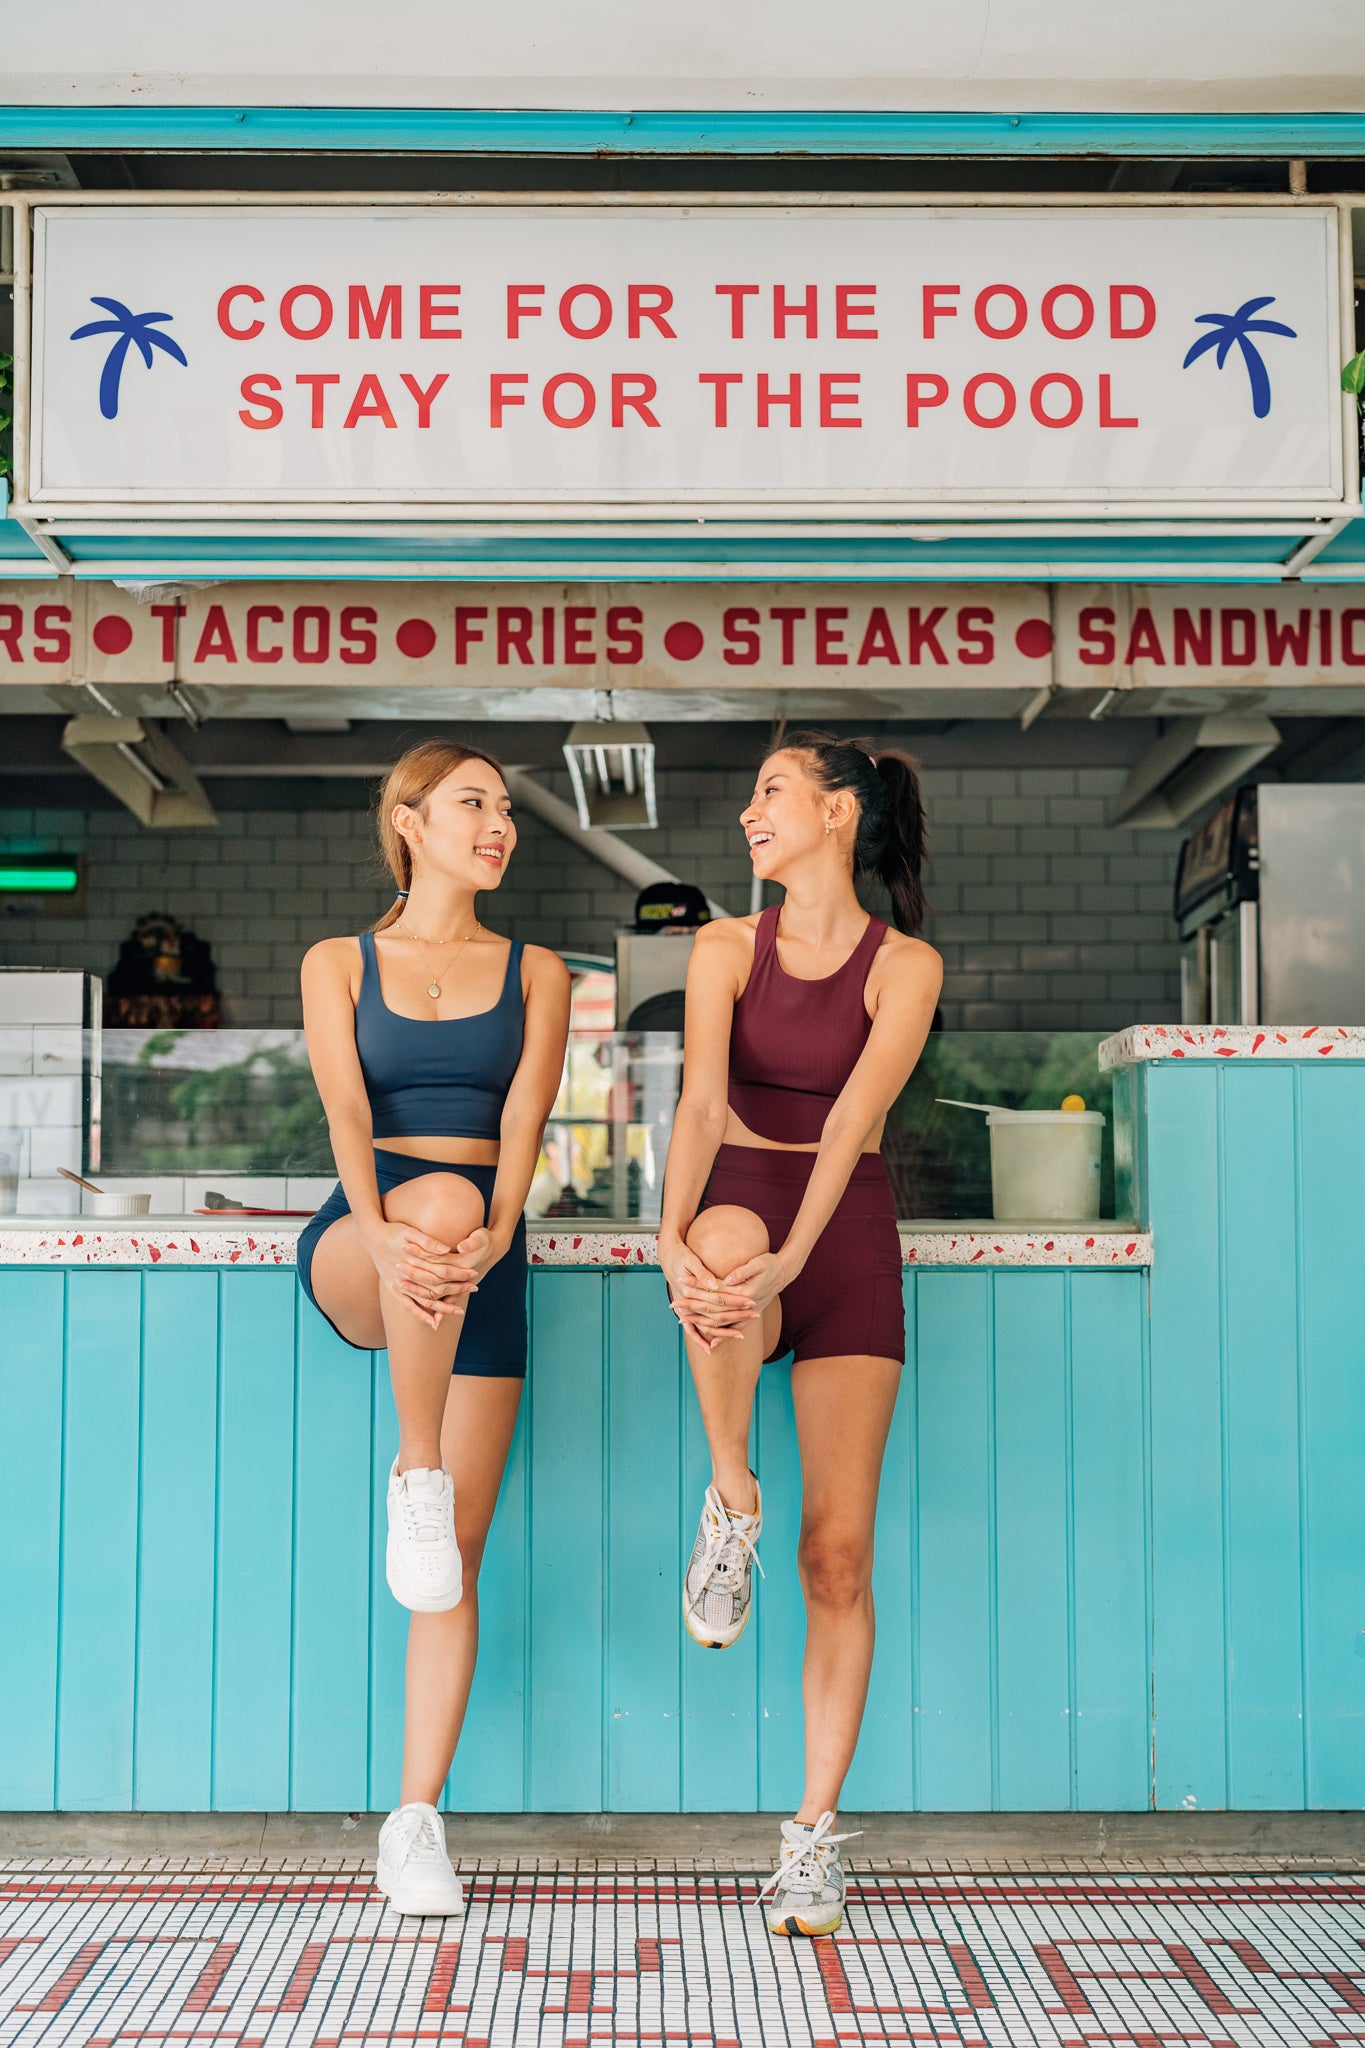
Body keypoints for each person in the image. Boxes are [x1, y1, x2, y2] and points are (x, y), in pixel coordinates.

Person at [657, 730, 942, 1938]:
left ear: (837, 812)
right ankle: (732, 1498)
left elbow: (851, 1126)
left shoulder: (907, 965)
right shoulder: (726, 946)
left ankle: (814, 1842)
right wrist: (672, 1235)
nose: (748, 815)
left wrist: (798, 1251)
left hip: (846, 1230)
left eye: (769, 791)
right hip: (738, 1211)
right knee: (720, 1259)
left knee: (839, 1559)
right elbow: (705, 1100)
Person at [298, 738, 569, 1920]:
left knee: (449, 1565)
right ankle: (415, 1462)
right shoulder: (337, 961)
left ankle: (414, 1822)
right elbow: (346, 1110)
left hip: (483, 1255)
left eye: (506, 808)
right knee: (434, 1203)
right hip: (365, 1240)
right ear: (409, 820)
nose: (497, 823)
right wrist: (385, 1219)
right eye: (474, 803)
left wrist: (499, 1228)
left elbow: (527, 1120)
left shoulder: (540, 969)